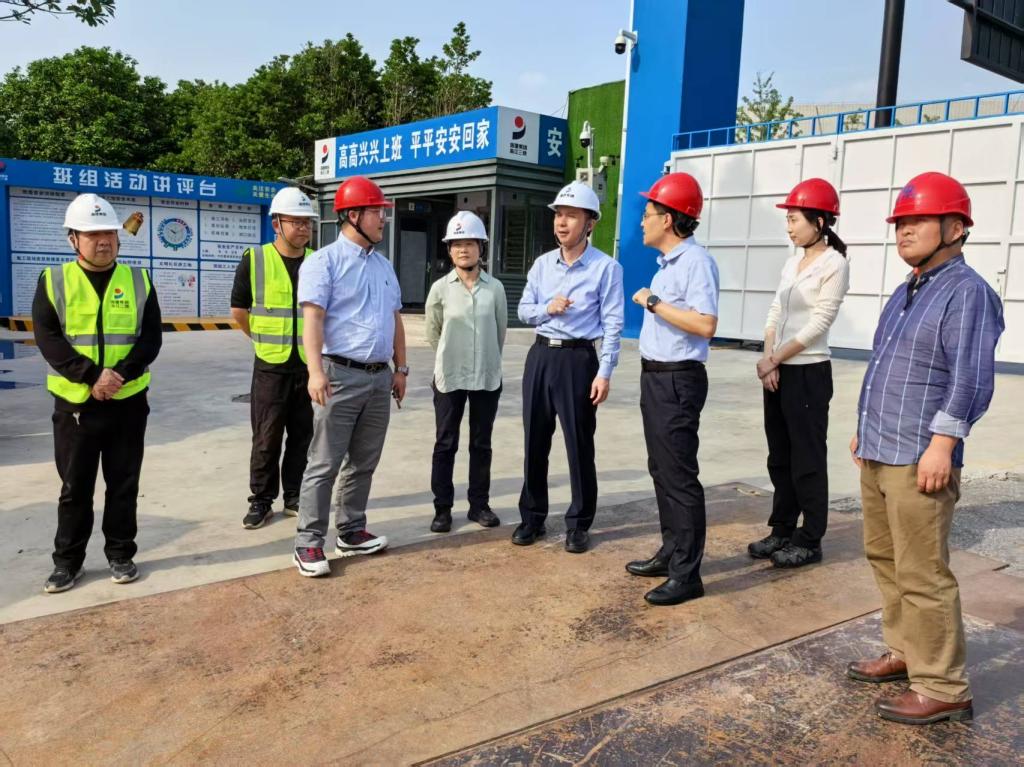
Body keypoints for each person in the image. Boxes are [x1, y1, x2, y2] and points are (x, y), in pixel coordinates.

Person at [846, 172, 1003, 725]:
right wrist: (865, 427)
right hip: (880, 447)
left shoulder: (967, 292)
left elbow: (970, 377)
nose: (904, 231)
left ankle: (943, 685)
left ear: (955, 228)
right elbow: (892, 366)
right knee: (886, 558)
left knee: (923, 572)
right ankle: (906, 651)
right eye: (900, 222)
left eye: (917, 221)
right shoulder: (907, 289)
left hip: (919, 455)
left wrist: (944, 443)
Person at [32, 193, 162, 593]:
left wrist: (118, 375)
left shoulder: (139, 280)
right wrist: (91, 376)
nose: (103, 241)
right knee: (75, 488)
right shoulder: (54, 280)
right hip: (76, 406)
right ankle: (67, 563)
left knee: (124, 484)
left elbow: (150, 339)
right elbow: (48, 339)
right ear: (73, 239)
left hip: (128, 403)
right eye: (92, 234)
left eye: (109, 232)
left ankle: (121, 554)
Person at [292, 176, 406, 577]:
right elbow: (313, 320)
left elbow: (395, 319)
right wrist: (315, 372)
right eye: (377, 212)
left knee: (364, 461)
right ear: (353, 215)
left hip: (379, 378)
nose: (383, 220)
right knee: (324, 463)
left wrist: (401, 368)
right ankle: (308, 542)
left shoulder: (384, 266)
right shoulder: (323, 262)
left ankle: (351, 530)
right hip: (339, 375)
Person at [514, 181, 624, 554]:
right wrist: (548, 308)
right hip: (541, 356)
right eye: (558, 215)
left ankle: (578, 523)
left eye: (571, 216)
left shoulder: (606, 268)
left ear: (590, 223)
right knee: (534, 441)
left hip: (578, 360)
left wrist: (604, 372)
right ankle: (532, 517)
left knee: (579, 444)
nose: (561, 223)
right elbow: (523, 310)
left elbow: (613, 324)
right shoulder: (542, 264)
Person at [626, 172, 719, 607]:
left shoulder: (696, 262)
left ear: (669, 219)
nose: (642, 222)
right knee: (661, 469)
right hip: (657, 377)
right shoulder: (669, 264)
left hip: (678, 378)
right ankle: (671, 551)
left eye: (648, 214)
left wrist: (653, 303)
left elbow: (705, 324)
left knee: (679, 475)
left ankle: (687, 574)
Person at [749, 178, 850, 567]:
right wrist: (768, 356)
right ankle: (782, 529)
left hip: (808, 373)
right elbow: (776, 311)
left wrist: (775, 359)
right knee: (780, 456)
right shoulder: (793, 263)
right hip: (777, 371)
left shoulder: (835, 264)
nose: (789, 227)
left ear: (819, 222)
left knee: (807, 458)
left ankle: (810, 539)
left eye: (794, 219)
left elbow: (818, 323)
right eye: (788, 219)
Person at [230, 187, 318, 529]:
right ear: (276, 224)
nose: (303, 228)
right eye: (296, 221)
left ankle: (294, 496)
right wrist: (261, 338)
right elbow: (239, 311)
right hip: (270, 366)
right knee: (266, 437)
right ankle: (261, 500)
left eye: (307, 222)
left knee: (302, 435)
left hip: (308, 365)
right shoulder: (254, 259)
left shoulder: (317, 261)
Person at [424, 211, 507, 533]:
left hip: (486, 376)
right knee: (445, 443)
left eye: (470, 243)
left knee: (481, 444)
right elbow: (433, 332)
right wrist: (452, 354)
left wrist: (485, 358)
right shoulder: (439, 289)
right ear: (449, 250)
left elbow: (499, 332)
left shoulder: (495, 288)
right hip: (450, 376)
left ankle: (479, 505)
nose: (463, 250)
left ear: (480, 247)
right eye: (457, 244)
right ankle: (442, 509)